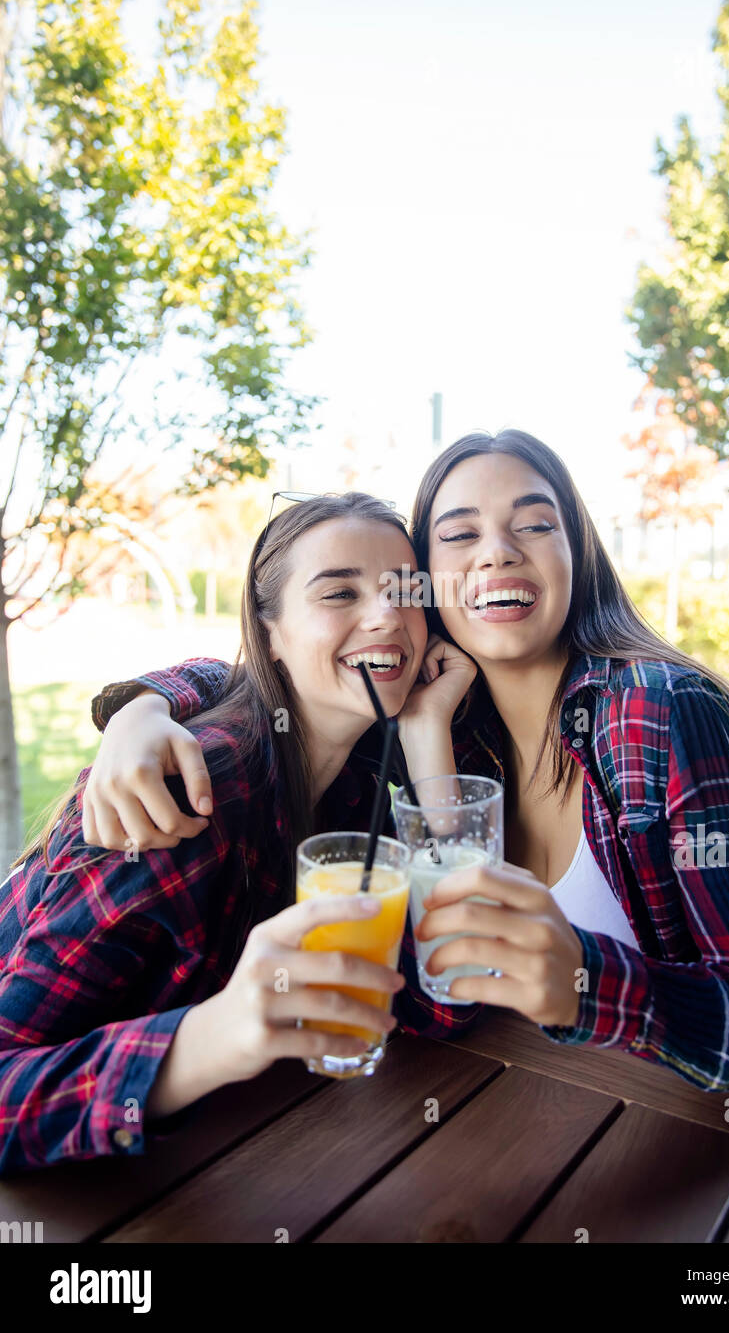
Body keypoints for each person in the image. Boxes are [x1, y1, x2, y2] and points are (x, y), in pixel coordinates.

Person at [82, 432, 729, 1101]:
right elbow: (279, 660)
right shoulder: (441, 730)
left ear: (575, 554)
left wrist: (586, 981)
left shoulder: (667, 713)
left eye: (535, 524)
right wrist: (141, 705)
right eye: (459, 535)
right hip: (546, 1128)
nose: (497, 551)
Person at [0, 493, 490, 1174]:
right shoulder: (184, 797)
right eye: (339, 592)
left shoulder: (355, 794)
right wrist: (206, 1041)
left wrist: (428, 732)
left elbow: (444, 1000)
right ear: (271, 637)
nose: (386, 617)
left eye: (404, 591)